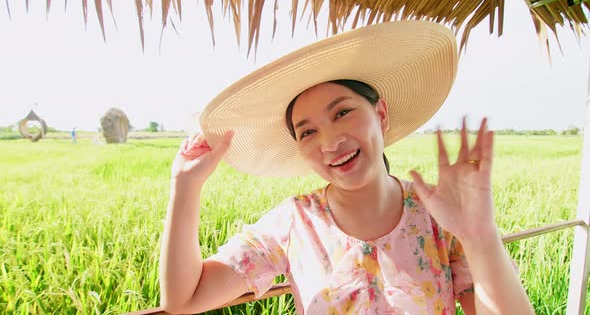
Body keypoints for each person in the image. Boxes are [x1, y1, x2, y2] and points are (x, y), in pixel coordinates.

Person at [159, 21, 534, 314]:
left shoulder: (439, 219)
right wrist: (185, 187)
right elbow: (184, 298)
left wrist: (480, 236)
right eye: (308, 132)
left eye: (342, 112)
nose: (330, 142)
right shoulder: (295, 224)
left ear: (381, 114)